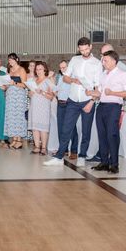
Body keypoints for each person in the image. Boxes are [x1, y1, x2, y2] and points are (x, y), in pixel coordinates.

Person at [44, 37, 102, 167]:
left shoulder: (97, 63)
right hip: (73, 99)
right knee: (66, 128)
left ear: (91, 47)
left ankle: (82, 155)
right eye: (81, 50)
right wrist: (73, 81)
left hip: (87, 100)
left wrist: (91, 101)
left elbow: (98, 87)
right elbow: (65, 77)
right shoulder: (75, 60)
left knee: (86, 131)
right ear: (78, 49)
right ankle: (59, 157)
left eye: (86, 49)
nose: (84, 52)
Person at [86, 51, 126, 174]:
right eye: (103, 60)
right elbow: (100, 92)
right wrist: (91, 93)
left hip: (113, 106)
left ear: (113, 61)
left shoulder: (123, 75)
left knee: (112, 135)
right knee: (101, 134)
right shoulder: (102, 75)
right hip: (101, 106)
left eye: (105, 60)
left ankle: (114, 164)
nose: (103, 62)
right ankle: (104, 162)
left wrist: (112, 93)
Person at [28, 62, 55, 155]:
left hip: (44, 106)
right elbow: (30, 93)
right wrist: (30, 94)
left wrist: (42, 92)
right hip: (34, 106)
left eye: (40, 69)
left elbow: (51, 96)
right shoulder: (33, 81)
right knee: (35, 127)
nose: (38, 71)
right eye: (37, 69)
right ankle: (36, 147)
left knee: (43, 128)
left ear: (45, 70)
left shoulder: (48, 81)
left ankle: (43, 147)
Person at [54, 60, 79, 159]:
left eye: (64, 67)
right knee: (60, 128)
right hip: (60, 104)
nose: (62, 69)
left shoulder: (73, 78)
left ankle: (74, 151)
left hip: (69, 104)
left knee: (71, 129)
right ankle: (63, 150)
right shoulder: (60, 78)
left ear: (69, 67)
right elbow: (58, 90)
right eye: (61, 68)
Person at [4, 53, 28, 150]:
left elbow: (25, 85)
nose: (11, 61)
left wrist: (15, 83)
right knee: (11, 117)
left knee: (18, 117)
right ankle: (14, 139)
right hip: (10, 96)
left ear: (17, 59)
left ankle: (19, 141)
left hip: (19, 96)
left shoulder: (21, 69)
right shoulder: (9, 70)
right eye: (9, 60)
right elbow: (7, 83)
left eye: (12, 59)